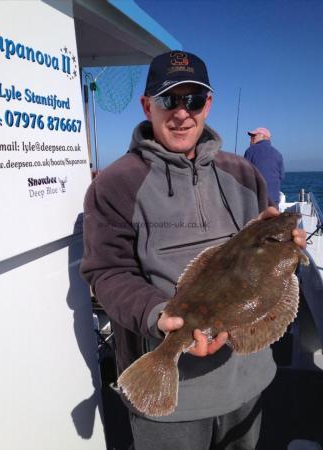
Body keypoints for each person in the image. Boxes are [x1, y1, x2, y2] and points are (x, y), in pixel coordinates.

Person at [80, 51, 306, 450]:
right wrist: (159, 315)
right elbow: (107, 272)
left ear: (208, 105)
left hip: (247, 378)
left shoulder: (243, 173)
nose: (182, 113)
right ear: (147, 105)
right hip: (171, 389)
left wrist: (287, 246)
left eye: (194, 100)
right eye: (169, 100)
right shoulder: (114, 184)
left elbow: (256, 262)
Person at [244, 127, 285, 209]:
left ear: (262, 136)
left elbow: (244, 174)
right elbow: (282, 177)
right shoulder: (278, 154)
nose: (251, 138)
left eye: (254, 136)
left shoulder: (250, 151)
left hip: (256, 199)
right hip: (274, 199)